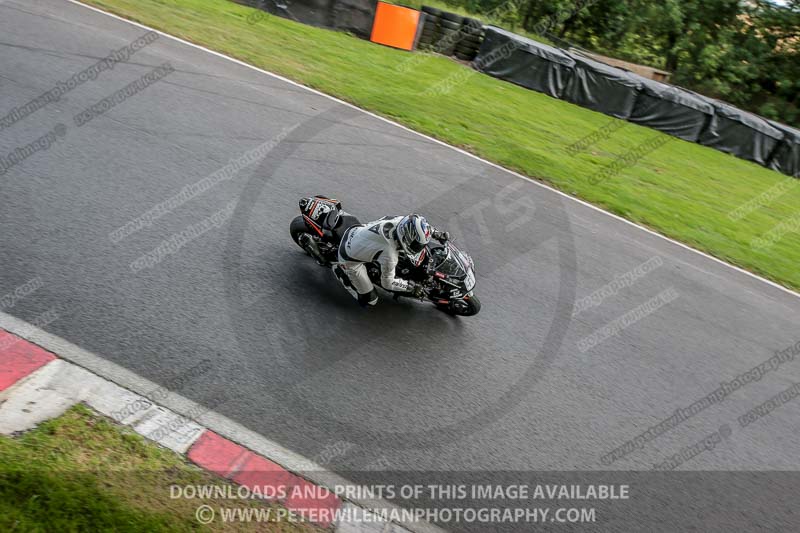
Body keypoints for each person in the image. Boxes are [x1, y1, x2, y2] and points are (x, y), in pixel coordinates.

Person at [334, 214, 449, 307]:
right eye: (417, 245)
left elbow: (421, 227)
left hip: (357, 231)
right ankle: (341, 271)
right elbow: (388, 283)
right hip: (349, 258)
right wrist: (411, 287)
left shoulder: (401, 221)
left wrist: (436, 234)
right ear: (406, 239)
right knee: (370, 300)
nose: (419, 248)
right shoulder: (390, 253)